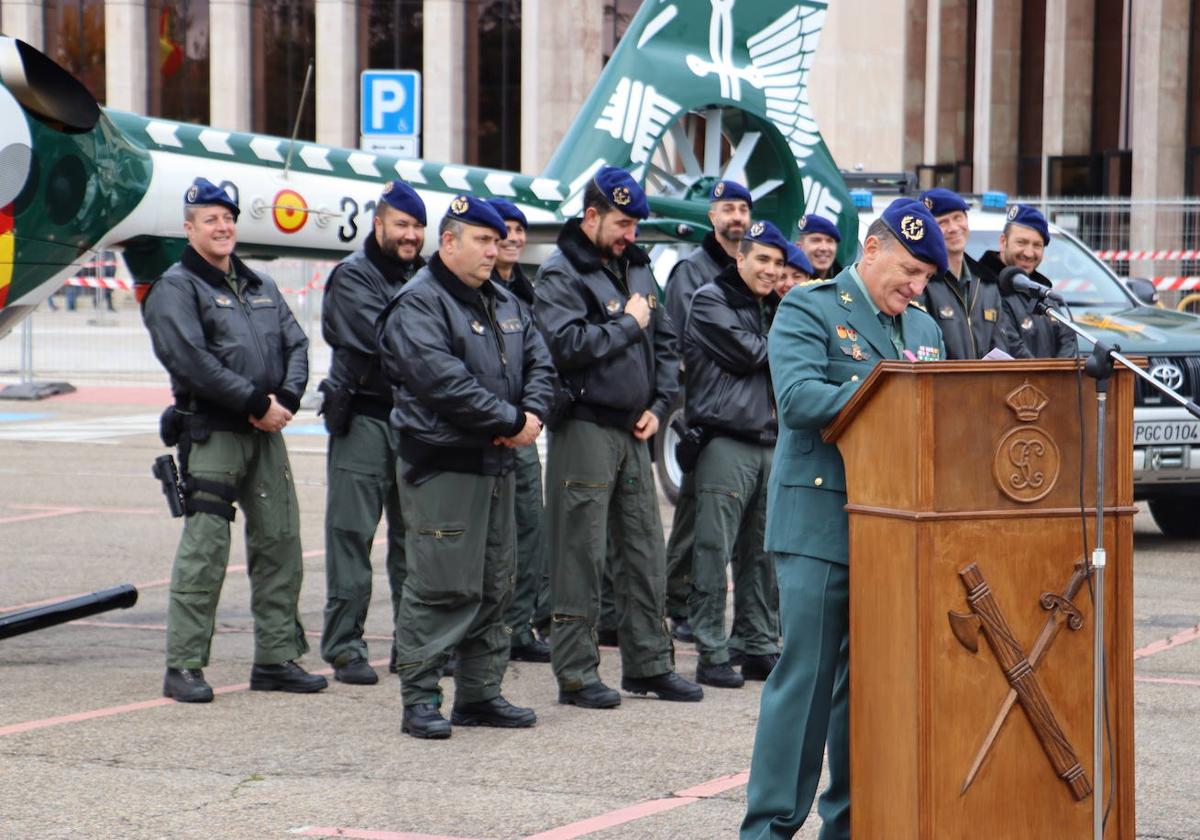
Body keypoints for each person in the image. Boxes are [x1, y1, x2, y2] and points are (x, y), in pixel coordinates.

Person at [741, 198, 947, 839]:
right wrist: (889, 386)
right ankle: (770, 828)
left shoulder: (923, 329)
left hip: (896, 528)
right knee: (806, 681)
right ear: (874, 250)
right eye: (909, 272)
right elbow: (800, 398)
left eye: (925, 281)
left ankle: (852, 825)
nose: (915, 288)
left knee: (870, 689)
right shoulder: (811, 306)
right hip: (821, 522)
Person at [377, 194, 557, 739]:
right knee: (439, 583)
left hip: (496, 461)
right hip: (445, 466)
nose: (493, 249)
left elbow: (540, 361)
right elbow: (441, 382)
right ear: (448, 241)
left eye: (496, 240)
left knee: (494, 582)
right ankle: (421, 699)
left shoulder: (502, 299)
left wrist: (533, 412)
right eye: (482, 239)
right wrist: (509, 420)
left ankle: (479, 694)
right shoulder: (420, 303)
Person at [143, 177, 325, 703]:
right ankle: (184, 666)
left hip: (267, 433)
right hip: (215, 433)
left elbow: (295, 342)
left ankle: (275, 658)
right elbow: (190, 361)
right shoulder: (176, 288)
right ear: (189, 227)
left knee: (280, 543)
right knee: (205, 551)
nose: (222, 227)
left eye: (228, 218)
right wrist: (255, 403)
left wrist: (285, 399)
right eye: (210, 219)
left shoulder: (259, 285)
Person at [535, 166, 703, 708]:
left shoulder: (635, 269)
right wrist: (628, 325)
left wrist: (658, 405)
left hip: (634, 429)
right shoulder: (562, 273)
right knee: (579, 552)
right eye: (623, 223)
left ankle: (650, 664)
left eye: (635, 225)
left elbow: (669, 344)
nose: (632, 234)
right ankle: (578, 672)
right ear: (591, 216)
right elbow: (563, 344)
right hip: (584, 426)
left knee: (643, 551)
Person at [318, 179, 427, 686]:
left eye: (417, 227)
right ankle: (344, 647)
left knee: (414, 539)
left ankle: (412, 645)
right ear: (379, 223)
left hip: (414, 423)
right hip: (364, 418)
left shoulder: (426, 277)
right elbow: (387, 341)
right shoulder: (352, 279)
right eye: (402, 225)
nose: (410, 236)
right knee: (350, 536)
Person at [683, 220, 788, 689]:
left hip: (769, 441)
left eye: (778, 262)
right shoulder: (711, 299)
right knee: (713, 550)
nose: (770, 269)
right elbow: (748, 354)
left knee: (762, 554)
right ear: (740, 258)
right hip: (726, 441)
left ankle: (757, 643)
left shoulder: (773, 308)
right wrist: (790, 346)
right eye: (761, 259)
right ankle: (710, 649)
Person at [664, 179, 753, 645]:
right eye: (727, 209)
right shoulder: (692, 271)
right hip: (702, 405)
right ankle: (678, 601)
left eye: (742, 209)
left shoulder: (751, 267)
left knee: (709, 517)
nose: (736, 217)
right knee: (695, 516)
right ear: (711, 217)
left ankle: (683, 599)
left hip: (742, 407)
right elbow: (685, 340)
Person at [486, 197, 552, 663]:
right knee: (484, 537)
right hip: (485, 429)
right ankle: (479, 631)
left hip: (523, 429)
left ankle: (519, 626)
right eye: (504, 228)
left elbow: (540, 360)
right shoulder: (473, 289)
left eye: (519, 228)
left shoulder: (527, 293)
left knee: (529, 528)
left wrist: (531, 412)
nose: (514, 236)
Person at [915, 188, 1003, 359]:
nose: (953, 228)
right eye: (943, 222)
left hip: (988, 383)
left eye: (958, 218)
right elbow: (922, 348)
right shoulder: (922, 283)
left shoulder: (987, 282)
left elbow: (1000, 345)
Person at [983, 204, 1077, 359]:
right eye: (1021, 242)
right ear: (1003, 241)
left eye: (1037, 245)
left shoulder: (1042, 291)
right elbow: (1011, 346)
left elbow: (1068, 337)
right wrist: (1042, 380)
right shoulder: (984, 286)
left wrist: (1060, 376)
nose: (1028, 253)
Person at [796, 213, 844, 280]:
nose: (824, 248)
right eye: (816, 240)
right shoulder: (787, 284)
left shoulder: (845, 285)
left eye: (829, 241)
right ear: (799, 247)